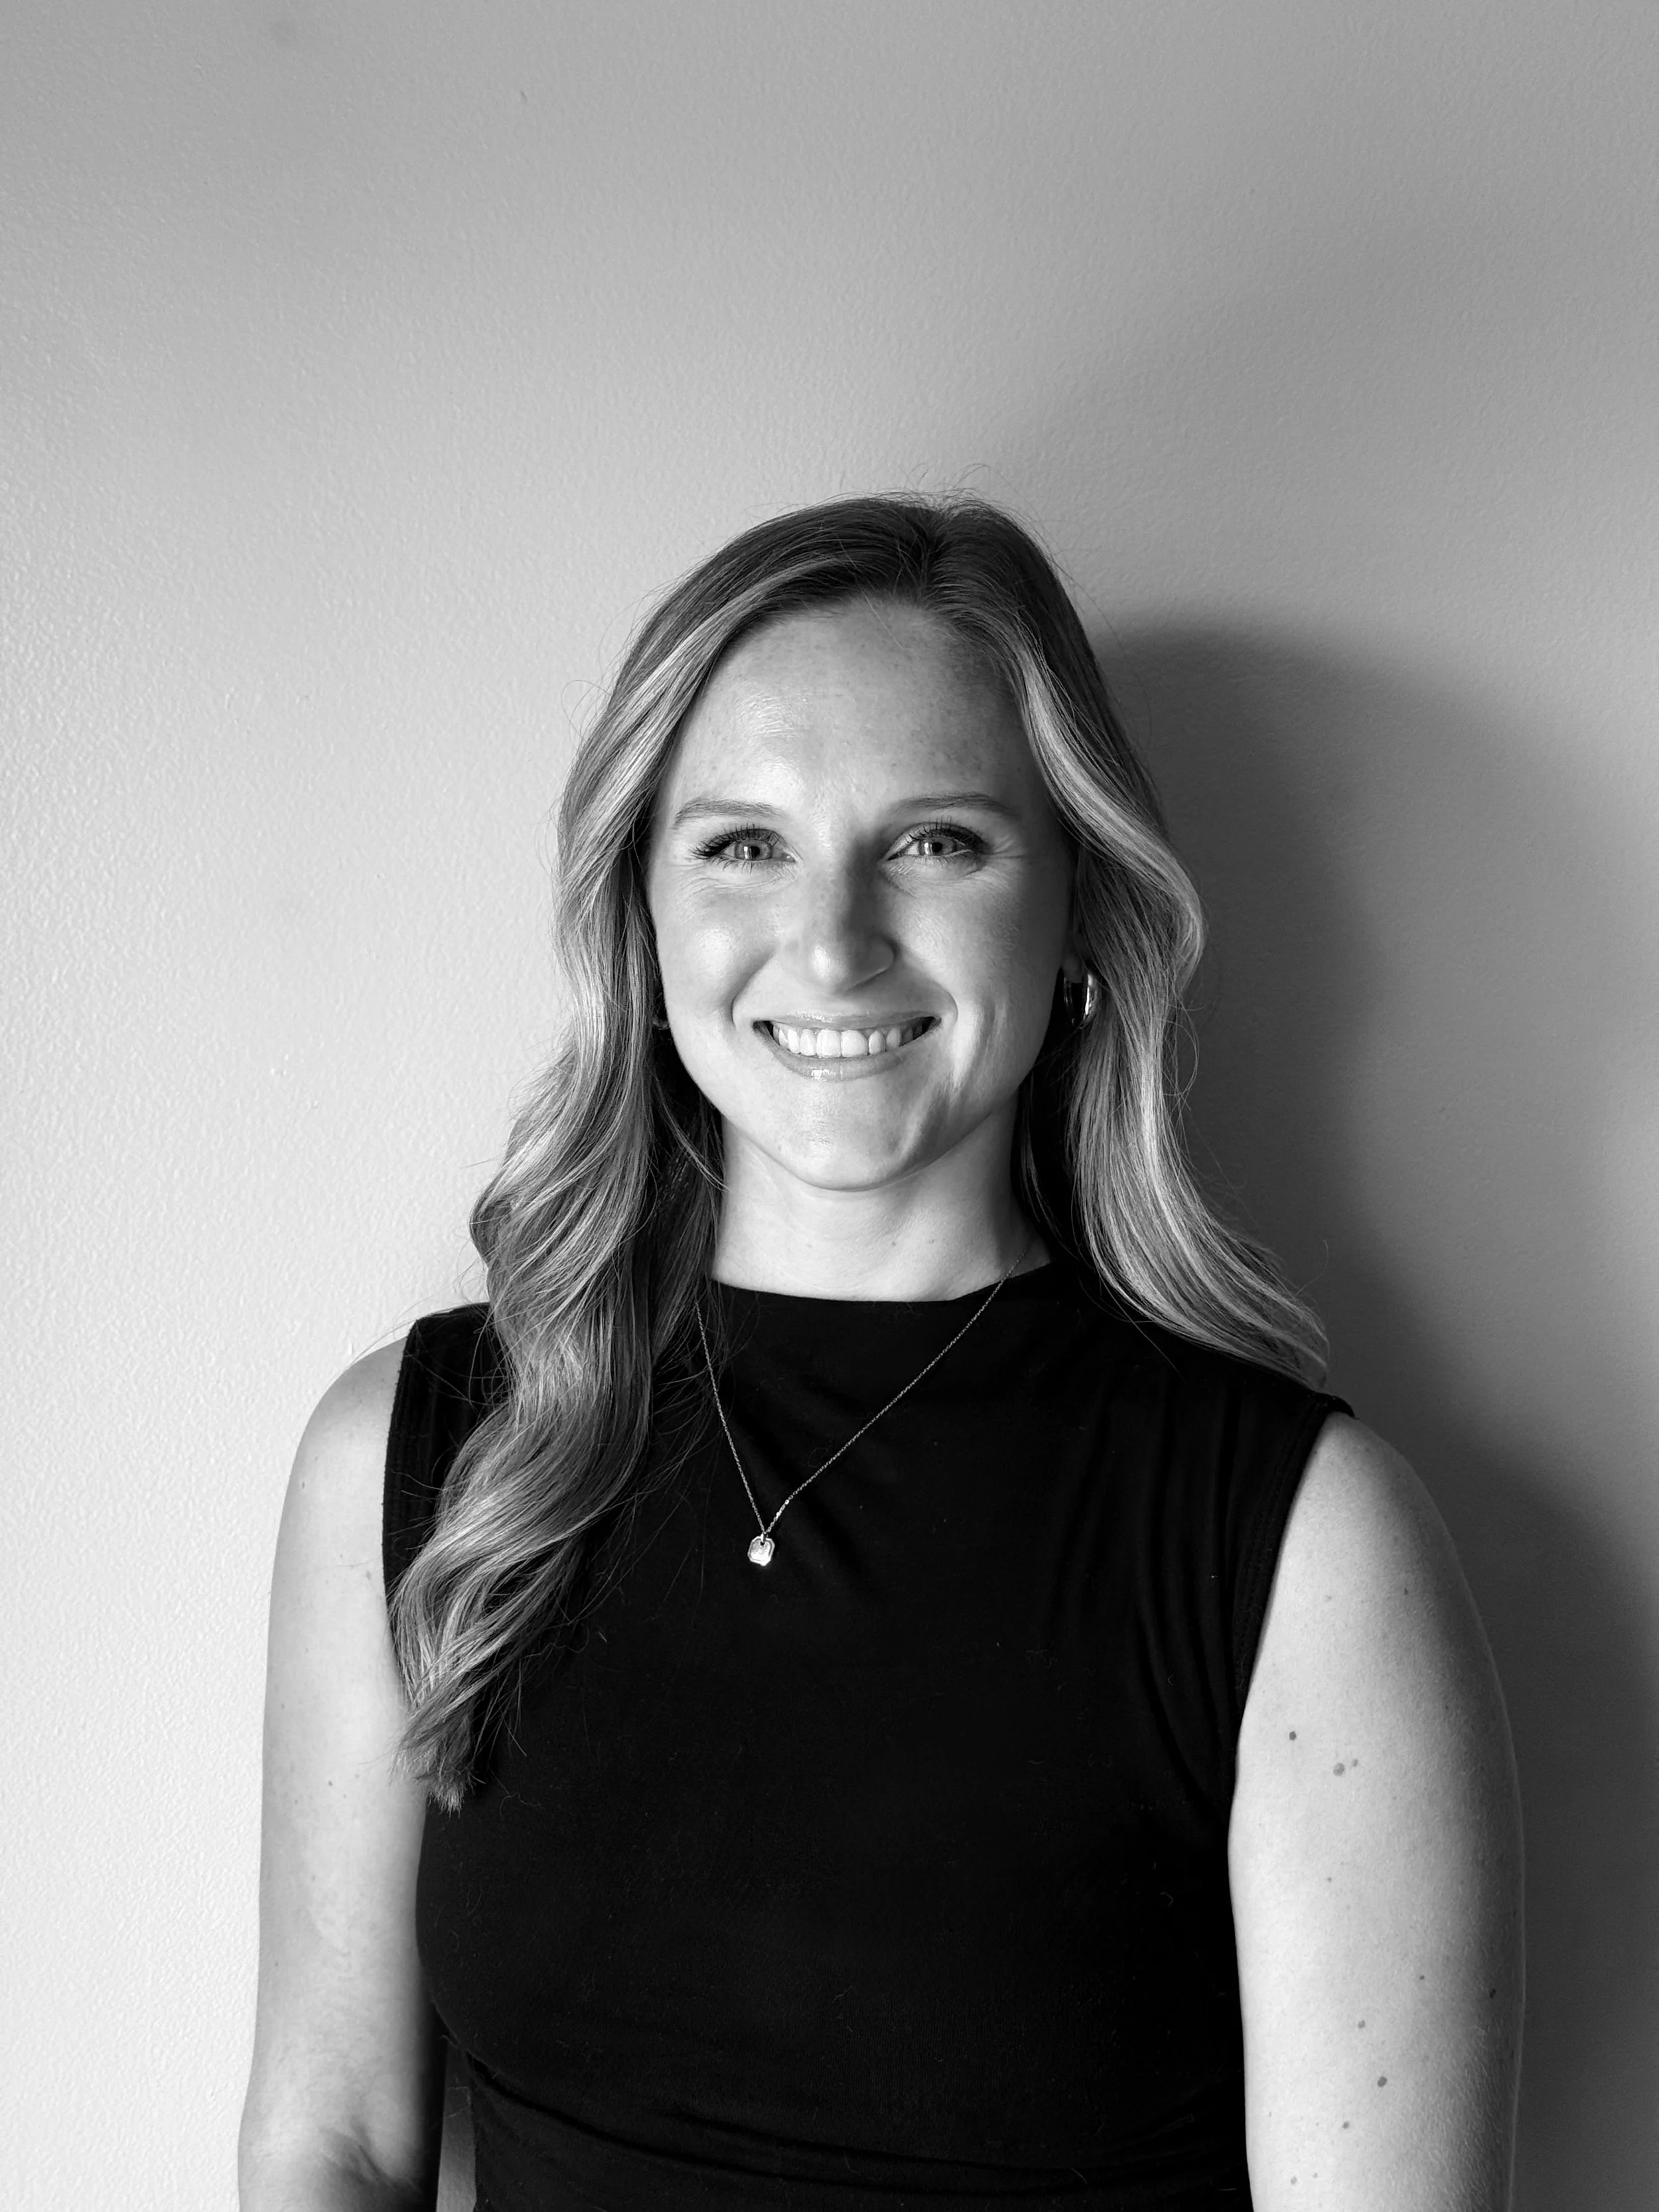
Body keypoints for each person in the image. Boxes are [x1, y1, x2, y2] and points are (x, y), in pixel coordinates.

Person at [239, 495, 1523, 2211]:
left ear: (1072, 899)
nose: (831, 939)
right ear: (641, 905)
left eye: (933, 841)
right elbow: (333, 2140)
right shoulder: (417, 1458)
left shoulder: (1297, 1541)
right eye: (744, 844)